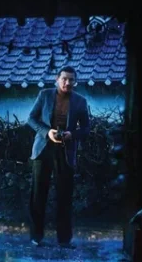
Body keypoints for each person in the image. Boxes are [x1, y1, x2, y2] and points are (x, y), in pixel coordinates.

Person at [27, 66, 90, 248]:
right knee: (38, 194)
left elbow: (86, 128)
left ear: (75, 82)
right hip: (43, 149)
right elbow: (31, 119)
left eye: (71, 80)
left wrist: (72, 135)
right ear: (57, 79)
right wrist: (47, 132)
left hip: (66, 151)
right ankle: (36, 237)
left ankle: (64, 239)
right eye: (64, 79)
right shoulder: (45, 95)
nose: (67, 83)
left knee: (65, 195)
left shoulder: (80, 101)